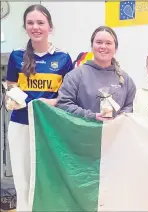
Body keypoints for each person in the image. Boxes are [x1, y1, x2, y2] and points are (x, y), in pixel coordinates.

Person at [6, 4, 73, 211]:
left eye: (40, 22)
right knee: (23, 179)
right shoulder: (16, 56)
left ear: (50, 27)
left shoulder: (63, 58)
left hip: (51, 129)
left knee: (50, 179)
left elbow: (68, 98)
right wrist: (12, 99)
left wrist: (50, 103)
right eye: (30, 23)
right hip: (21, 125)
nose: (35, 27)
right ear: (25, 27)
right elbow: (11, 90)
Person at [56, 26, 136, 121]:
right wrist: (91, 117)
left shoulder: (125, 79)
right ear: (92, 46)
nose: (103, 46)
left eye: (108, 43)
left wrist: (120, 118)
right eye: (99, 42)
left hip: (116, 134)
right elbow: (63, 104)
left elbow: (131, 105)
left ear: (116, 48)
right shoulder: (75, 76)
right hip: (84, 133)